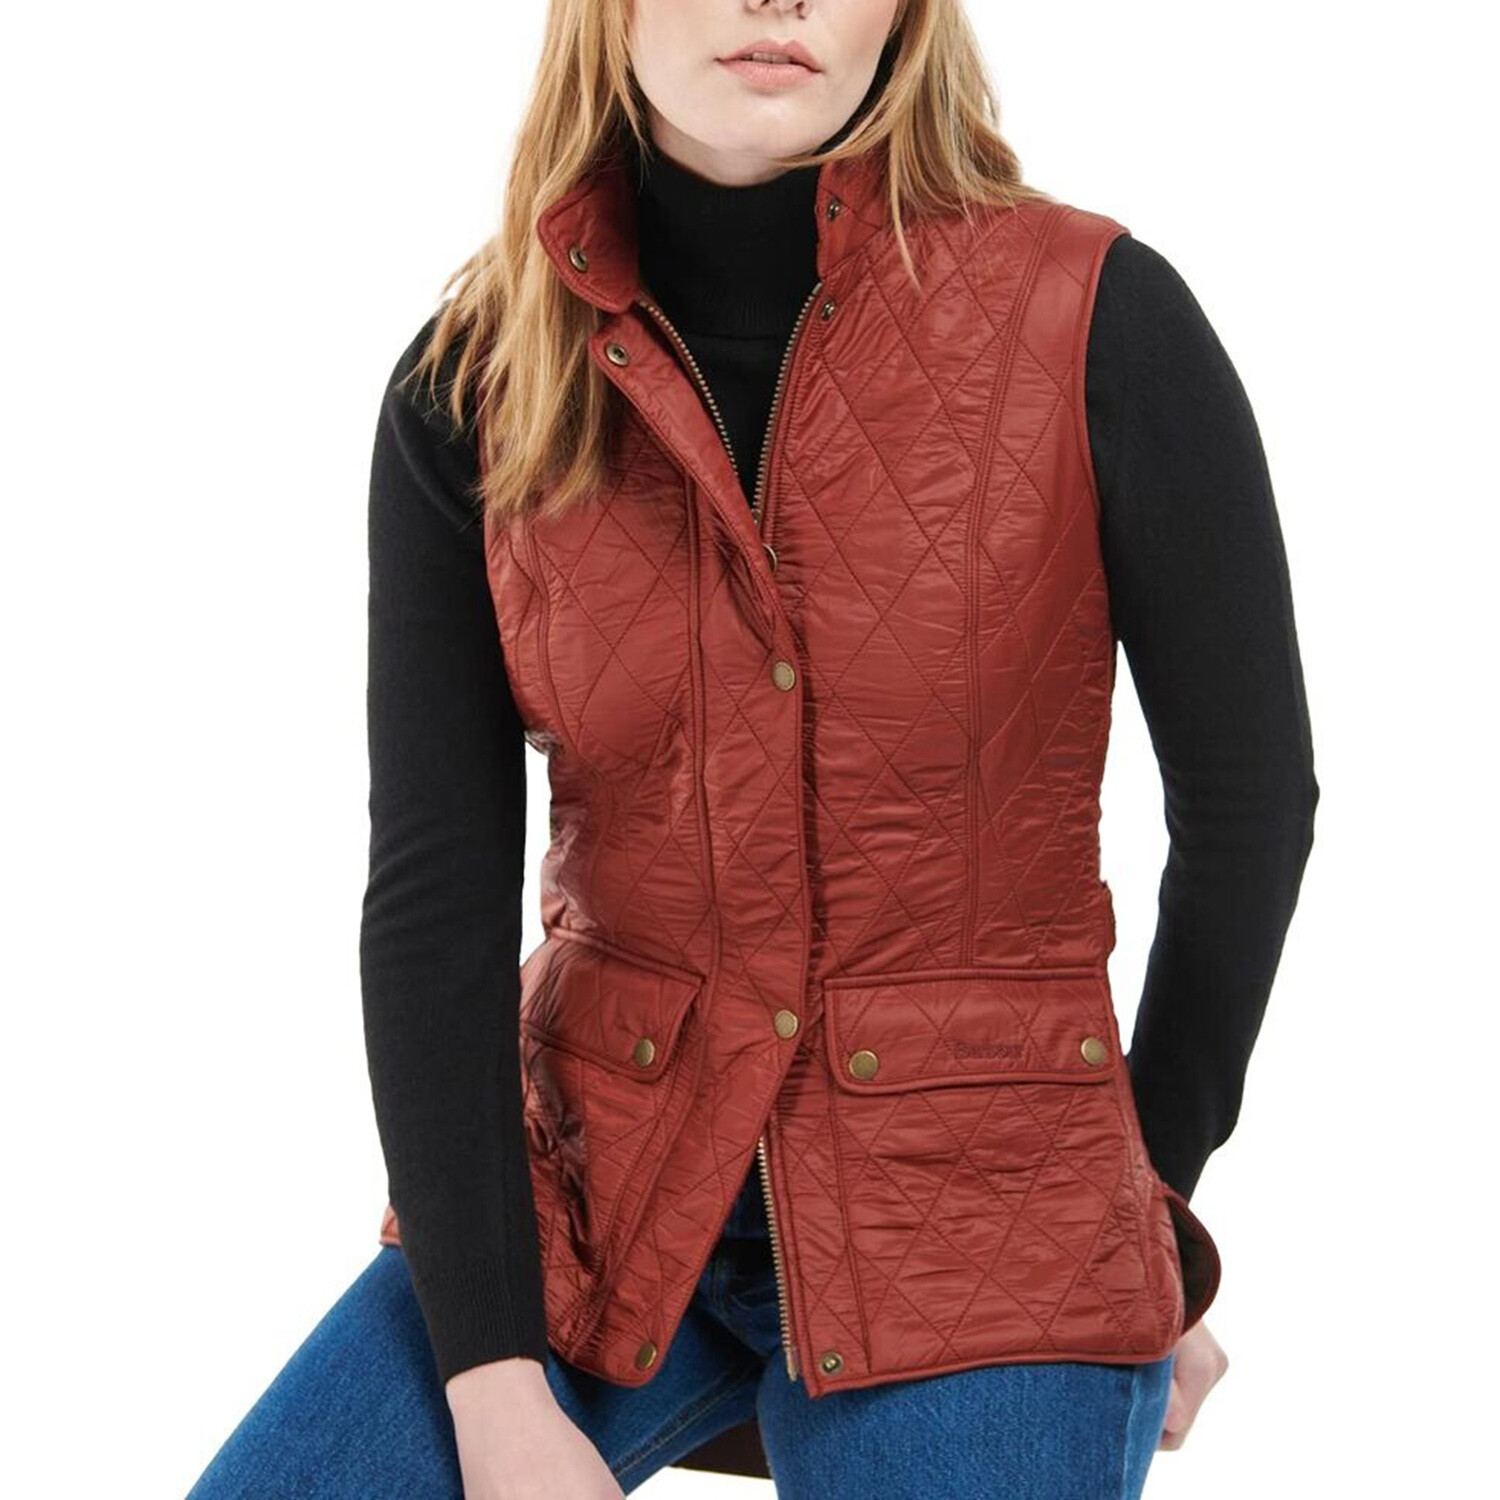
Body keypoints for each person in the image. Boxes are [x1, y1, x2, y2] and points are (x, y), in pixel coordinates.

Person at [185, 1, 1318, 1496]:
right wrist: (492, 1377)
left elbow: (1249, 808)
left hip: (982, 1200)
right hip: (600, 1182)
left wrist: (1134, 1218)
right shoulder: (481, 376)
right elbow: (434, 897)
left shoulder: (1097, 314)